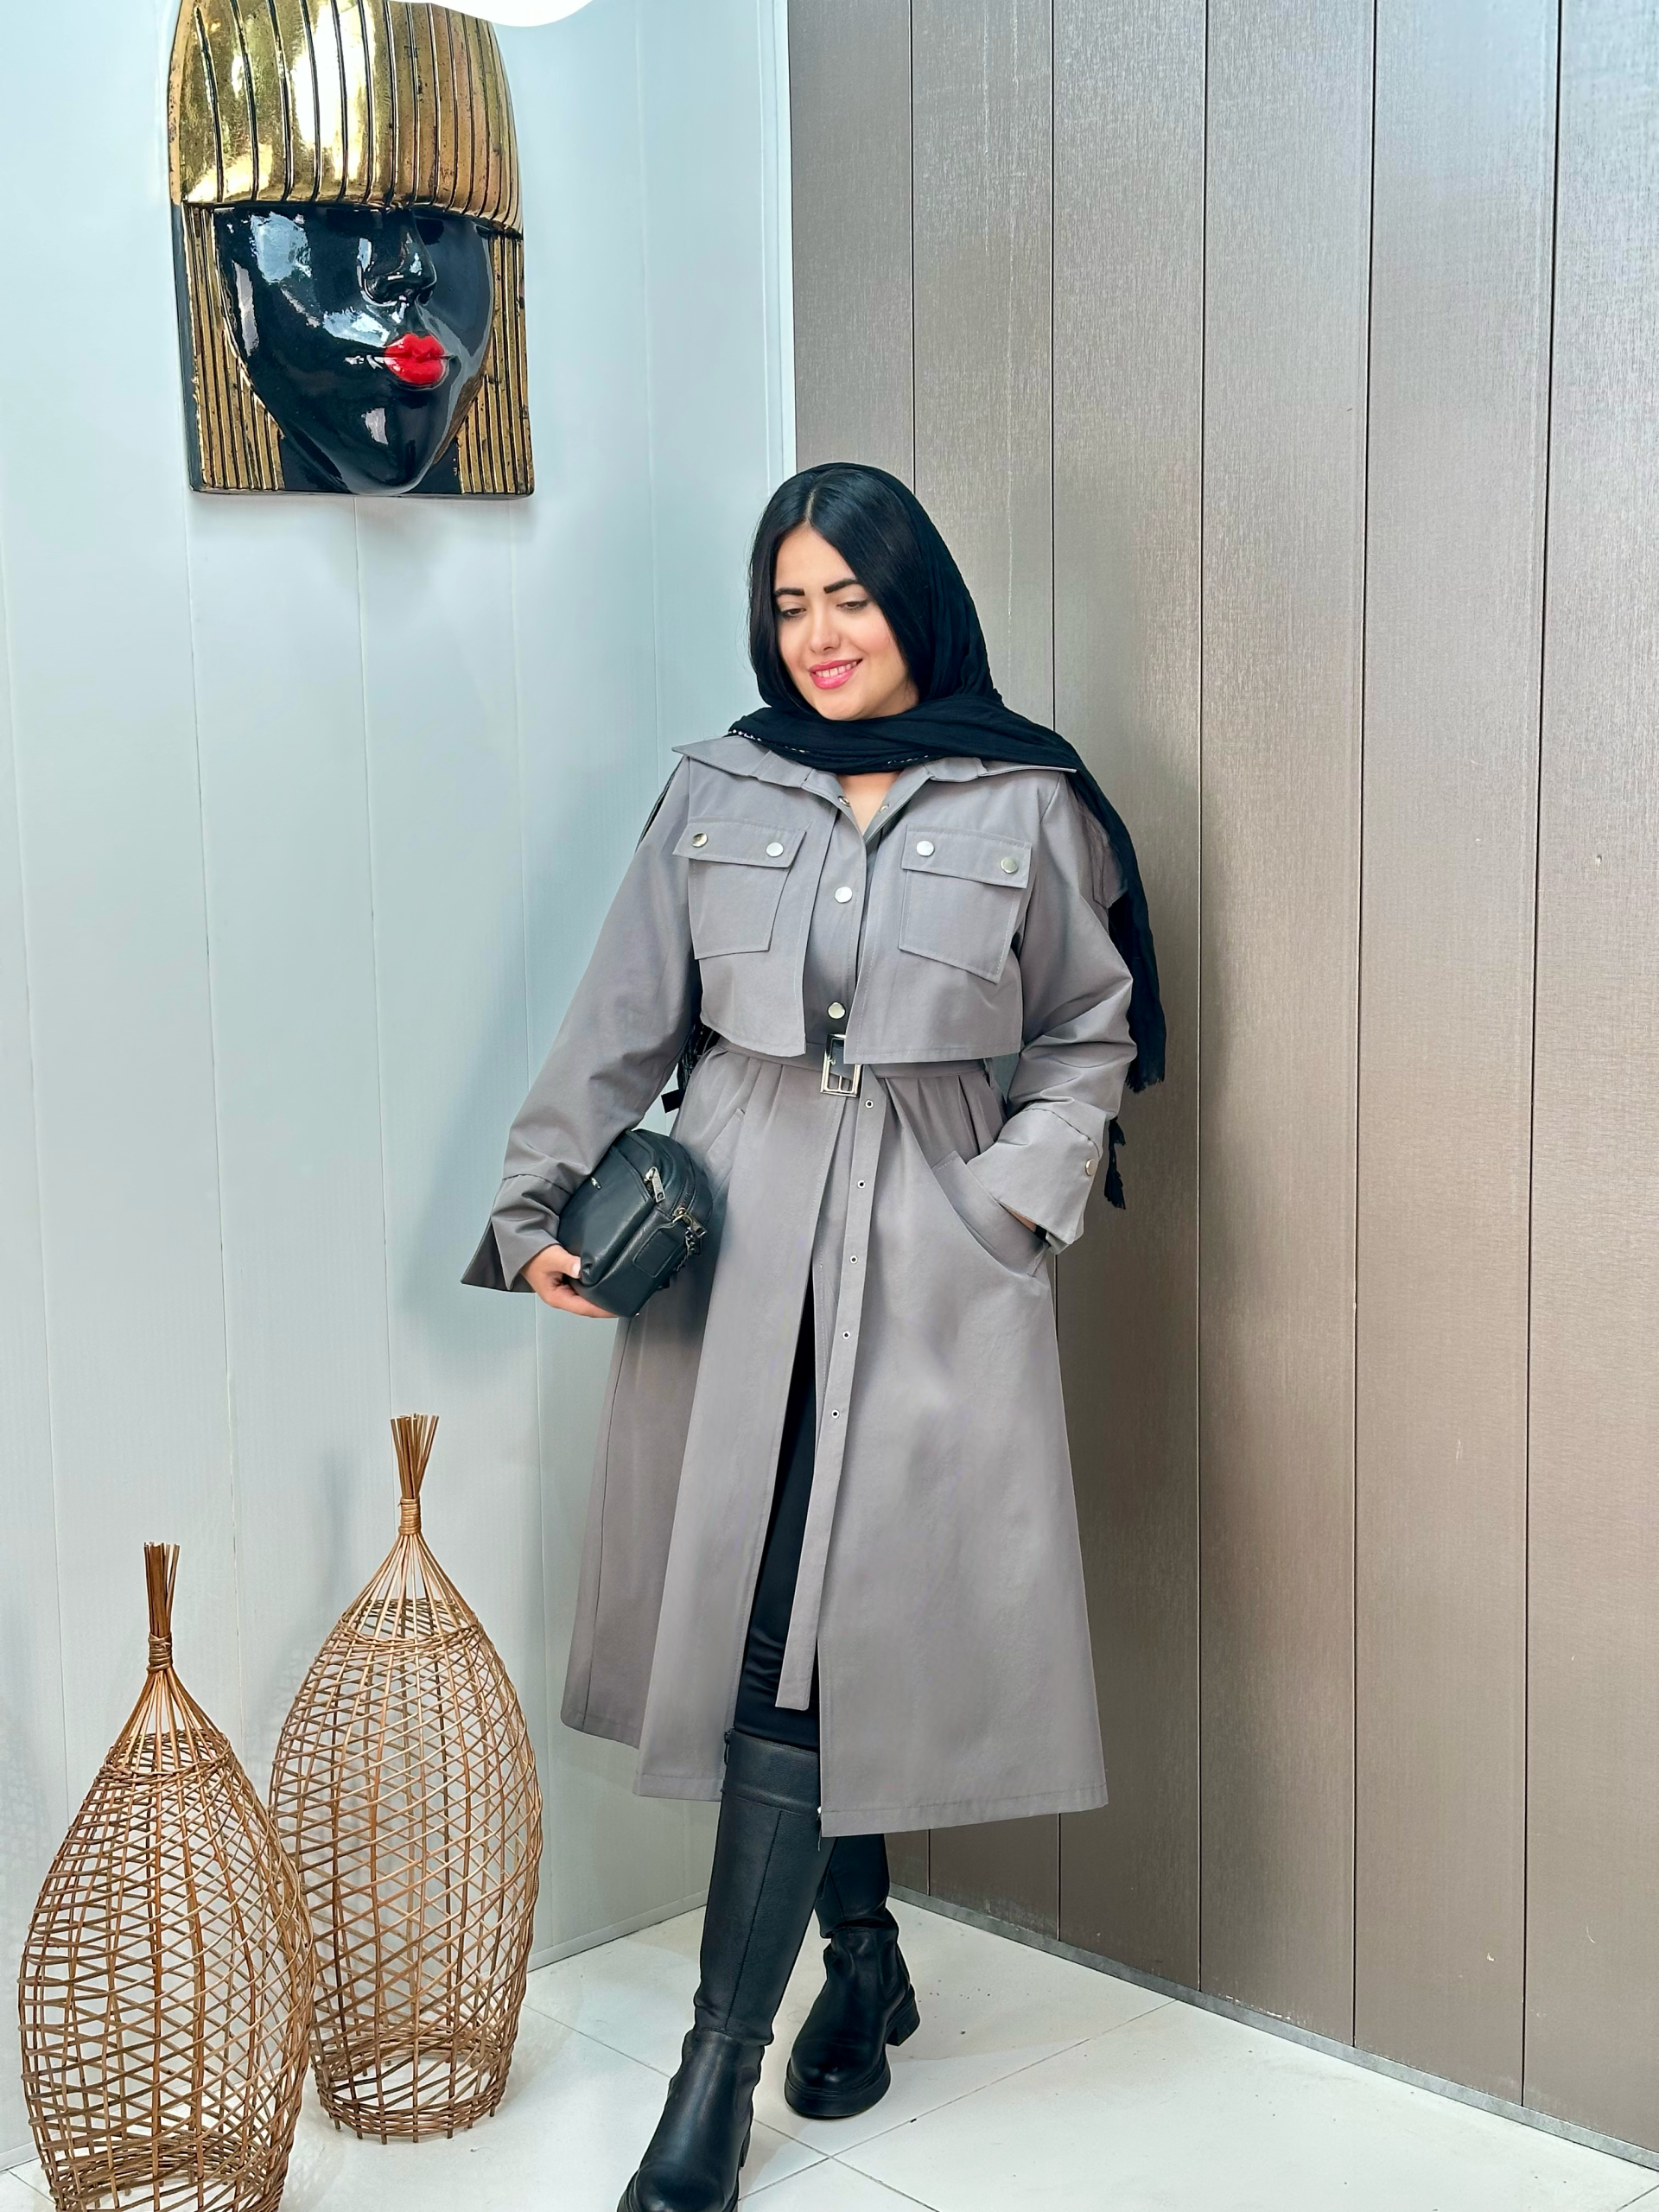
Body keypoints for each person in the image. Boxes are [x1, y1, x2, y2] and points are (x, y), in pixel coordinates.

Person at [465, 462, 1162, 2212]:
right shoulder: (721, 783)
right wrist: (534, 1208)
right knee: (784, 1623)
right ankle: (861, 1956)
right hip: (735, 1237)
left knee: (804, 1628)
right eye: (790, 604)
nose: (819, 635)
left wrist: (1009, 1207)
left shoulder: (1027, 795)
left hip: (930, 1251)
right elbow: (623, 1015)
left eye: (848, 596)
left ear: (915, 599)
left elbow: (1089, 1031)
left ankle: (712, 2075)